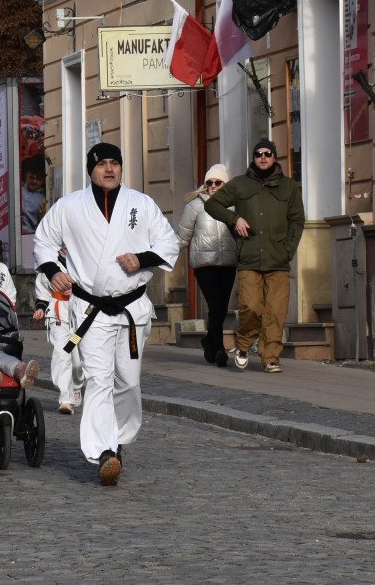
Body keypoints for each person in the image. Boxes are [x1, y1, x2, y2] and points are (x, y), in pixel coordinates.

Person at [33, 143, 179, 486]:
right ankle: (104, 452)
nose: (110, 169)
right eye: (103, 164)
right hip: (91, 308)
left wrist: (142, 259)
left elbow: (168, 242)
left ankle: (120, 440)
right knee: (99, 380)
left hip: (130, 308)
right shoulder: (69, 206)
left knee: (127, 382)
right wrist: (54, 270)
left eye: (115, 163)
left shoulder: (141, 204)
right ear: (91, 169)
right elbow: (43, 241)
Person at [205, 140, 305, 373]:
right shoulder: (240, 184)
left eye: (267, 153)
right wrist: (234, 219)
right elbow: (213, 205)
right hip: (249, 258)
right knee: (250, 307)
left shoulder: (288, 187)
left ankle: (271, 358)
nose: (263, 157)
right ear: (254, 157)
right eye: (258, 154)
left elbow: (297, 220)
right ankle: (243, 344)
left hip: (278, 260)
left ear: (274, 157)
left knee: (275, 312)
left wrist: (288, 249)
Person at [176, 164, 238, 367]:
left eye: (218, 182)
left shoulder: (235, 205)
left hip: (228, 263)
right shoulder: (195, 206)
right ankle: (219, 349)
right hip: (204, 265)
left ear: (225, 184)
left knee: (221, 307)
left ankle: (209, 342)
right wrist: (160, 256)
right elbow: (182, 236)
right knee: (215, 305)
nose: (213, 186)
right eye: (209, 183)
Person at [32, 247, 84, 414]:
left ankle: (76, 387)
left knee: (76, 359)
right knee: (61, 355)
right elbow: (43, 294)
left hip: (78, 320)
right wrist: (40, 308)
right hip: (58, 318)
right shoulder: (49, 265)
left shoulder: (83, 260)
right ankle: (65, 399)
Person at [20, 155, 47, 234]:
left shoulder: (43, 198)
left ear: (43, 181)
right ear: (26, 176)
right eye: (31, 177)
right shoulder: (18, 190)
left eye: (38, 179)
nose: (34, 181)